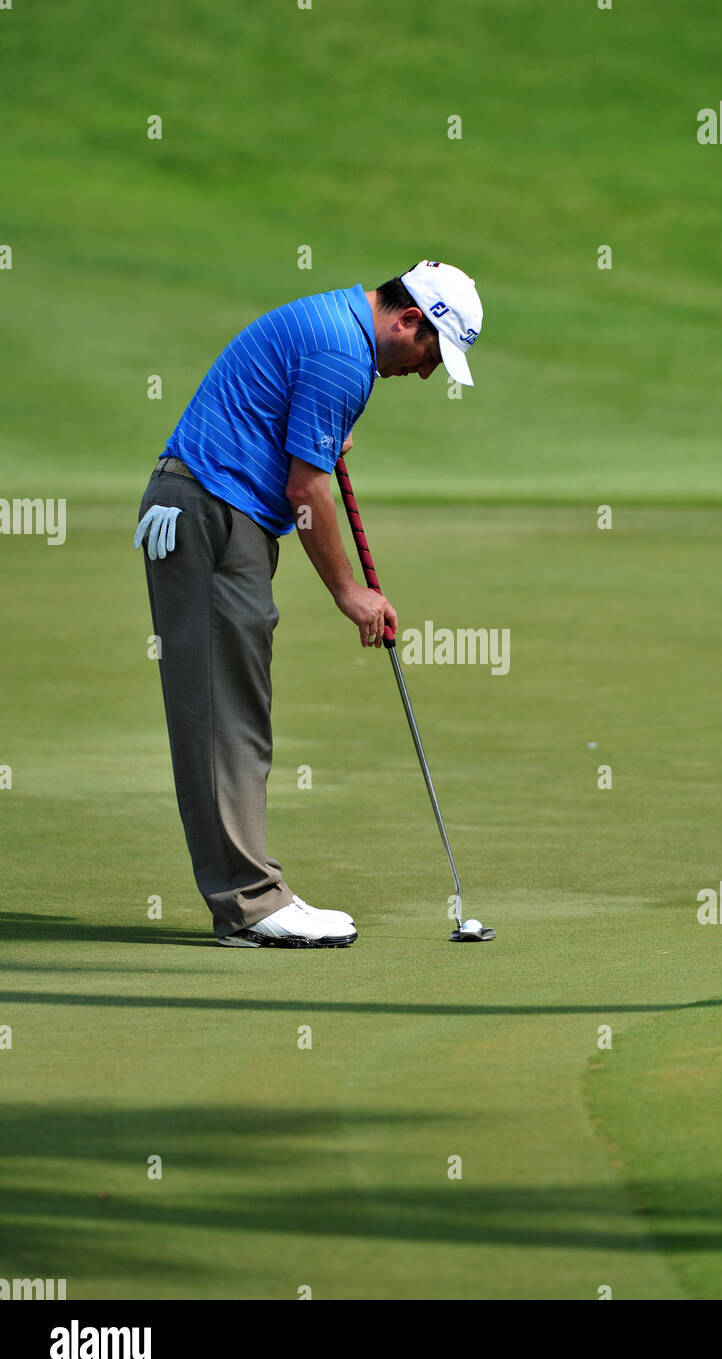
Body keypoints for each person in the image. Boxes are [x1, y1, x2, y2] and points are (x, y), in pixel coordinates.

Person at [134, 261, 483, 948]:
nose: (423, 373)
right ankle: (250, 902)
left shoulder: (335, 329)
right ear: (409, 319)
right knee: (224, 714)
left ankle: (251, 894)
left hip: (216, 513)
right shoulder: (339, 352)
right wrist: (350, 593)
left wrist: (320, 432)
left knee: (236, 708)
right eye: (429, 356)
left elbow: (292, 436)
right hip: (210, 515)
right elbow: (306, 492)